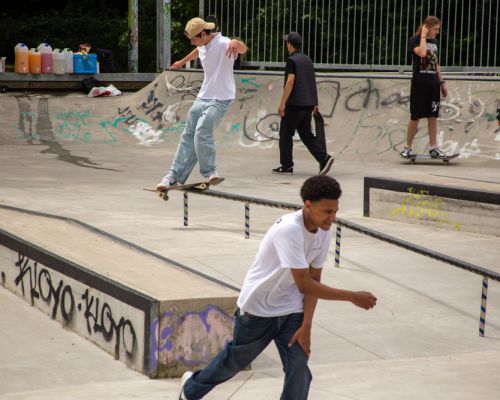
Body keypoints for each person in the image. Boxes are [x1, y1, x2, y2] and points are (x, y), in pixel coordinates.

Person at [176, 175, 377, 400]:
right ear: (308, 205)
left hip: (292, 310)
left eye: (335, 211)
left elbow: (314, 279)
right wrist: (351, 296)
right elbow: (304, 282)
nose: (332, 218)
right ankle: (191, 389)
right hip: (258, 310)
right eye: (327, 211)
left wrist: (307, 324)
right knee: (233, 363)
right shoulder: (289, 230)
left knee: (299, 370)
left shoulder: (324, 231)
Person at [156, 18, 247, 189]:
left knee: (202, 130)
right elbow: (197, 51)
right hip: (204, 95)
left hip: (221, 97)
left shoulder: (223, 43)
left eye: (194, 39)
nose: (192, 42)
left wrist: (237, 42)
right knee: (188, 134)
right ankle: (173, 176)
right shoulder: (202, 45)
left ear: (204, 34)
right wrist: (182, 62)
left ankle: (210, 172)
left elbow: (243, 49)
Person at [272, 32, 334, 176]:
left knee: (285, 134)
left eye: (286, 43)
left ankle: (286, 166)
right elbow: (311, 81)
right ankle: (324, 158)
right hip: (307, 105)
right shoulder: (308, 60)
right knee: (306, 135)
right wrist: (314, 102)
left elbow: (290, 81)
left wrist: (282, 103)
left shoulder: (291, 60)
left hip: (294, 105)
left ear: (289, 44)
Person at [401, 16, 448, 159]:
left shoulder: (435, 42)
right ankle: (407, 147)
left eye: (438, 29)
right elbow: (421, 53)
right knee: (415, 116)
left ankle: (433, 147)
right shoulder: (414, 40)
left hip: (433, 84)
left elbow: (435, 63)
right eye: (435, 29)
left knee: (432, 116)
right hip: (419, 84)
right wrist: (422, 36)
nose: (437, 32)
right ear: (427, 27)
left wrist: (442, 82)